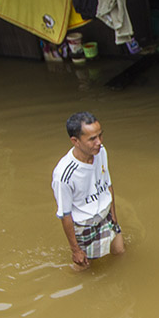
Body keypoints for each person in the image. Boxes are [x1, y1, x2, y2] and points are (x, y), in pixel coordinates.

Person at [52, 111, 125, 269]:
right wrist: (75, 250)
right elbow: (65, 214)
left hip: (105, 214)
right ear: (75, 141)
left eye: (100, 135)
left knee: (120, 252)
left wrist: (114, 215)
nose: (99, 142)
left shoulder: (101, 151)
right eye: (92, 139)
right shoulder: (64, 175)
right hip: (85, 224)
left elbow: (108, 184)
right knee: (84, 269)